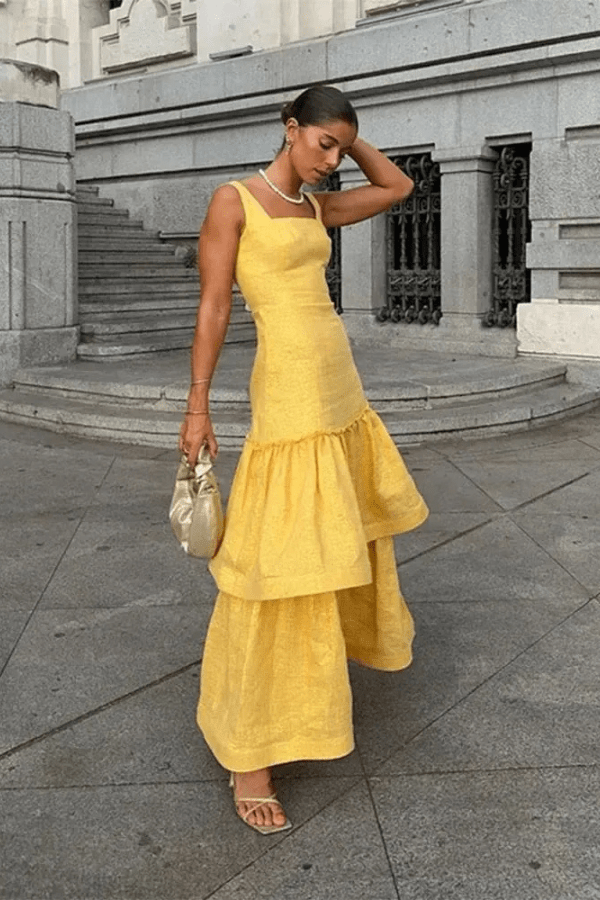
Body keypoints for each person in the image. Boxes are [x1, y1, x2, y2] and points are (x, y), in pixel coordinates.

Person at [179, 85, 428, 835]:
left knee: (329, 548)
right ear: (288, 130)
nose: (329, 159)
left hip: (339, 390)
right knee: (273, 565)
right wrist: (197, 406)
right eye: (318, 143)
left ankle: (311, 690)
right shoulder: (235, 201)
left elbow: (400, 186)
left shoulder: (317, 208)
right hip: (286, 395)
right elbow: (215, 306)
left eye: (337, 147)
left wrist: (346, 143)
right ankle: (248, 752)